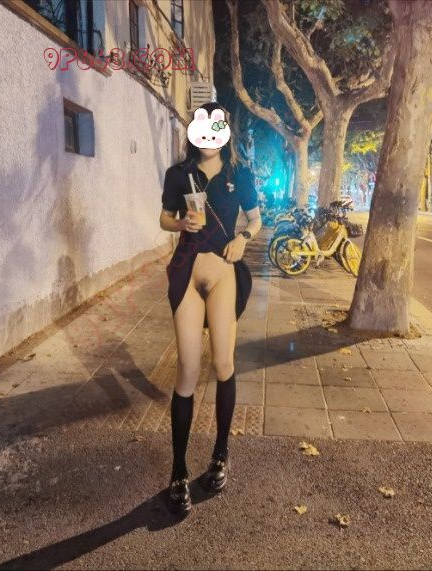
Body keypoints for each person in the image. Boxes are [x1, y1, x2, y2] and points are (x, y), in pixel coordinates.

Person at [159, 102, 262, 516]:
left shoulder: (240, 174)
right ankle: (178, 471)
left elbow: (255, 219)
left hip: (222, 274)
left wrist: (243, 239)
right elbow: (164, 218)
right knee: (186, 370)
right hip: (187, 272)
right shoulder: (179, 174)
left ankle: (221, 454)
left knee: (222, 364)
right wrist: (181, 224)